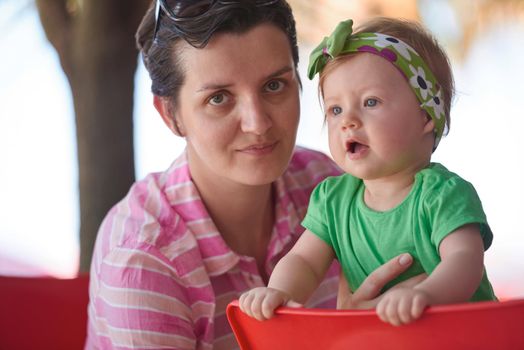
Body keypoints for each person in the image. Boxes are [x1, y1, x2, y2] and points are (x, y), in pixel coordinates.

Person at [85, 3, 419, 349]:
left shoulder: (329, 185)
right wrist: (344, 334)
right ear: (171, 116)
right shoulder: (143, 260)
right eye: (219, 98)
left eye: (274, 85)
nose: (258, 124)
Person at [239, 17, 497, 327]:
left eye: (370, 102)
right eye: (335, 109)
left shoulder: (442, 194)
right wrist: (278, 291)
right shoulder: (334, 199)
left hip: (470, 337)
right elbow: (304, 261)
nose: (347, 120)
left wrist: (426, 295)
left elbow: (464, 260)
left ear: (426, 115)